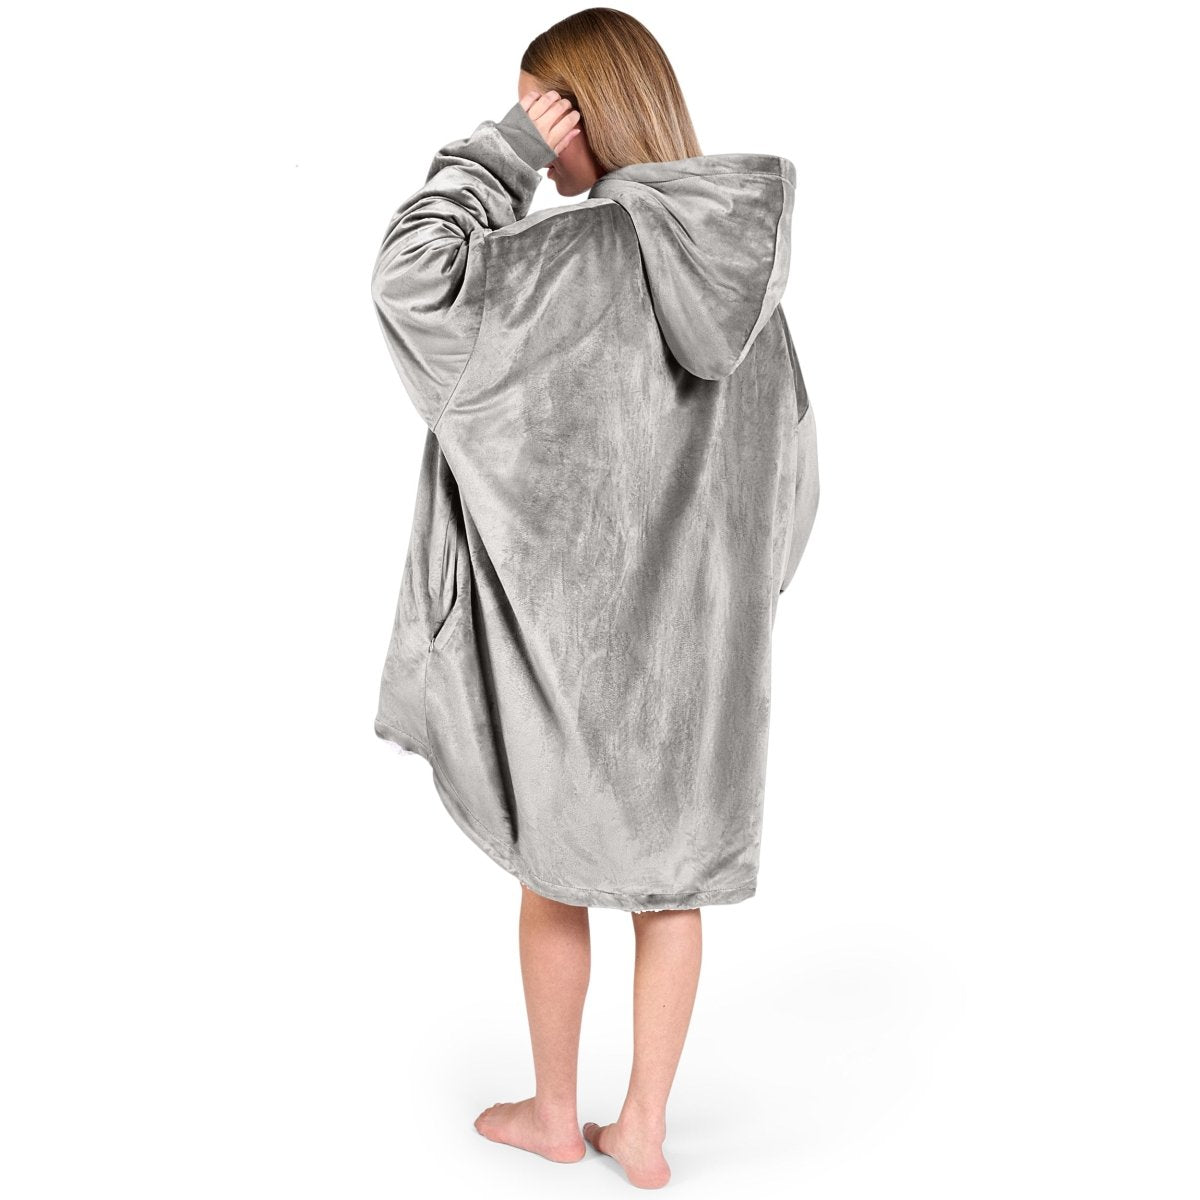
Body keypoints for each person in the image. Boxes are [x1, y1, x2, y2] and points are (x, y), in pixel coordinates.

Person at [369, 7, 819, 1189]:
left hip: (572, 656)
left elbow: (411, 281)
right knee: (673, 890)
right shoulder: (753, 292)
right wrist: (731, 616)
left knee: (554, 876)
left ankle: (556, 1114)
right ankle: (647, 1131)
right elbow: (795, 476)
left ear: (577, 110)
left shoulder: (557, 261)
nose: (536, 126)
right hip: (705, 668)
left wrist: (498, 152)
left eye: (542, 103)